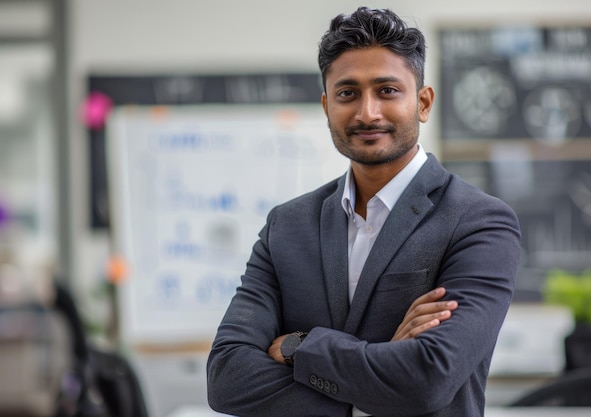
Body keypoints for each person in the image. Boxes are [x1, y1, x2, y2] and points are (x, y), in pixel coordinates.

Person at [207, 6, 521, 417]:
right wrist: (374, 382)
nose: (366, 112)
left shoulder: (479, 223)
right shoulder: (287, 226)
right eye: (347, 93)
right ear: (326, 106)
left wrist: (298, 347)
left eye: (387, 90)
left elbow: (429, 378)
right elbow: (227, 378)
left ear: (423, 103)